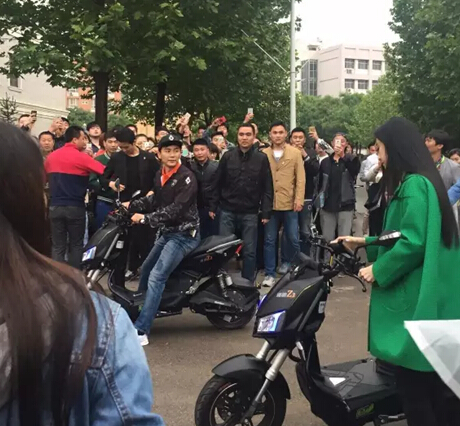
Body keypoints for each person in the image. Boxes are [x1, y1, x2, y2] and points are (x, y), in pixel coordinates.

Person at [0, 121, 165, 426]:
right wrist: (115, 189)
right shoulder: (96, 322)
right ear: (31, 197)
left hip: (136, 214)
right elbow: (104, 175)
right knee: (78, 248)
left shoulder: (57, 158)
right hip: (85, 210)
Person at [336, 117, 460, 426]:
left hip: (417, 295)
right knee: (433, 386)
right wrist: (364, 241)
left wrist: (377, 269)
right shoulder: (424, 180)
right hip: (432, 292)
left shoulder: (414, 184)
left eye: (380, 148)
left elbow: (413, 241)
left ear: (396, 148)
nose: (378, 156)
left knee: (415, 388)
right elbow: (404, 234)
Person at [128, 133, 201, 346]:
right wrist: (130, 206)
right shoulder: (160, 174)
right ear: (159, 153)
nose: (172, 154)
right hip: (168, 233)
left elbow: (176, 209)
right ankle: (140, 310)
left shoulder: (187, 178)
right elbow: (154, 199)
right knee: (146, 269)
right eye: (167, 150)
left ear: (180, 153)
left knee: (157, 276)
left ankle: (142, 330)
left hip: (184, 235)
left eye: (176, 150)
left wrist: (145, 219)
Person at [209, 123, 274, 282]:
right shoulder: (228, 156)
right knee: (223, 250)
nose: (244, 138)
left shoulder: (261, 158)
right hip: (227, 210)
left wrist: (266, 212)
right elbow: (217, 183)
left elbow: (267, 187)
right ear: (237, 137)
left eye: (248, 135)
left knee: (250, 251)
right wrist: (213, 206)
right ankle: (221, 282)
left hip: (250, 212)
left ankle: (247, 283)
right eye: (241, 134)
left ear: (253, 137)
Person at [101, 127, 160, 283]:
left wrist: (152, 191)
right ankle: (117, 282)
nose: (123, 150)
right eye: (121, 147)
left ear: (134, 142)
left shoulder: (148, 158)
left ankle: (144, 279)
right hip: (124, 205)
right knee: (121, 245)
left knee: (144, 243)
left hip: (144, 206)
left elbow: (158, 178)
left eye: (126, 147)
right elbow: (104, 177)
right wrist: (111, 184)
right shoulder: (117, 158)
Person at [44, 125, 105, 269]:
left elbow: (43, 179)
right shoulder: (82, 158)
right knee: (76, 244)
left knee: (57, 246)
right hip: (75, 206)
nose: (85, 142)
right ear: (74, 139)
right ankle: (74, 276)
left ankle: (57, 275)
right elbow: (104, 171)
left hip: (55, 206)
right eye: (83, 138)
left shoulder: (51, 157)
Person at [262, 121, 305, 287]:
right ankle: (269, 273)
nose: (278, 135)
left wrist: (299, 199)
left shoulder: (295, 153)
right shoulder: (264, 154)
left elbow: (300, 179)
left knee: (293, 238)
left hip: (290, 203)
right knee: (269, 240)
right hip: (270, 204)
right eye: (275, 132)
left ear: (286, 134)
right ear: (270, 135)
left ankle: (296, 269)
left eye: (281, 132)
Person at [316, 132, 360, 244]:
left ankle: (343, 256)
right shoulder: (325, 162)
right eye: (337, 141)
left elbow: (355, 172)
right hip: (327, 205)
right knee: (328, 239)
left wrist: (343, 156)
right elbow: (320, 183)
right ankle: (328, 256)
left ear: (346, 144)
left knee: (344, 240)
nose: (339, 144)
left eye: (342, 141)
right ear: (332, 143)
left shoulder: (352, 159)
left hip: (345, 205)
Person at [290, 127, 319, 256]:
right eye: (295, 137)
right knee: (290, 230)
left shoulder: (311, 153)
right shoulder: (286, 152)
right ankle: (291, 258)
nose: (297, 140)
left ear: (304, 140)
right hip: (289, 197)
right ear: (290, 139)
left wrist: (304, 154)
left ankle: (305, 257)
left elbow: (315, 170)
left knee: (305, 229)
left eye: (300, 138)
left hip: (306, 196)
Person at [89, 130, 120, 229]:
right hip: (103, 200)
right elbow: (92, 180)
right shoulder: (98, 160)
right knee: (102, 229)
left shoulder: (124, 158)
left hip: (122, 202)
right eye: (110, 142)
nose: (113, 145)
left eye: (116, 142)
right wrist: (106, 186)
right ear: (104, 143)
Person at [191, 138, 219, 238]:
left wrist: (213, 207)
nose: (199, 153)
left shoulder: (216, 166)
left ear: (208, 150)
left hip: (213, 208)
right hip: (196, 209)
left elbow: (218, 188)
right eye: (196, 150)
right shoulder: (190, 167)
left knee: (213, 237)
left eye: (202, 149)